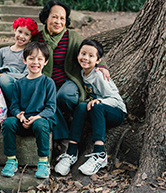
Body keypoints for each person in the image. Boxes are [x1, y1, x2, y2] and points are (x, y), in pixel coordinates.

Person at [37, 0, 109, 152]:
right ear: (46, 18)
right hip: (45, 83)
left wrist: (102, 66)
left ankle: (69, 114)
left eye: (62, 18)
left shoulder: (72, 37)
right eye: (54, 17)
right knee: (47, 98)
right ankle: (64, 139)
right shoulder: (37, 39)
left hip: (68, 81)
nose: (58, 21)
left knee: (64, 95)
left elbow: (89, 52)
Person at [54, 39, 127, 176]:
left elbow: (115, 99)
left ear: (98, 60)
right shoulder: (81, 73)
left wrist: (99, 101)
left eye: (91, 56)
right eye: (83, 54)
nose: (86, 58)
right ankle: (71, 152)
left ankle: (99, 154)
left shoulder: (99, 75)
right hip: (96, 110)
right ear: (78, 55)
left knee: (96, 106)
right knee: (81, 107)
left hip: (116, 111)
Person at [0, 42, 56, 179]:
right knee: (8, 123)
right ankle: (11, 160)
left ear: (45, 61)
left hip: (40, 121)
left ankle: (43, 162)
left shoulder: (48, 83)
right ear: (24, 60)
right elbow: (14, 106)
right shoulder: (19, 83)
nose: (35, 62)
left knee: (41, 124)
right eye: (31, 58)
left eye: (39, 59)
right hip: (23, 120)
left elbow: (51, 108)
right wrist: (19, 115)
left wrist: (37, 117)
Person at [0, 17, 39, 103]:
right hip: (1, 75)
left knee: (4, 79)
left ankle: (15, 105)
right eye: (20, 31)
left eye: (26, 34)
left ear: (31, 38)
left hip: (17, 81)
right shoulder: (3, 51)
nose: (21, 36)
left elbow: (26, 75)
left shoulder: (28, 53)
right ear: (15, 31)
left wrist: (6, 74)